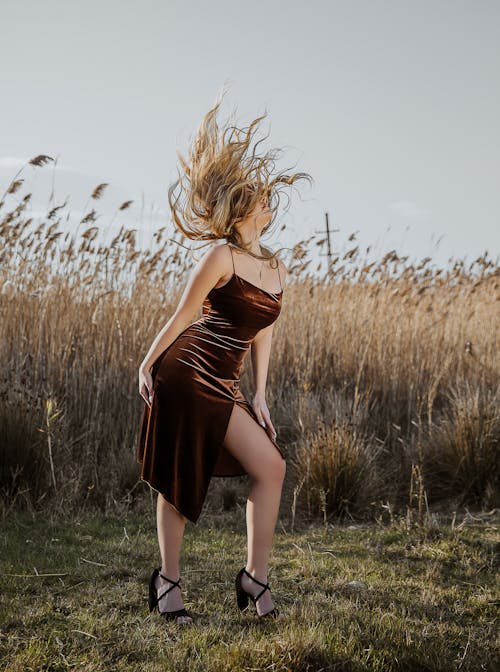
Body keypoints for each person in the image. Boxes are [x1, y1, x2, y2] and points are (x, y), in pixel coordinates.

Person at [137, 95, 312, 624]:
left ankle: (254, 580)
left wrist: (260, 394)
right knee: (181, 475)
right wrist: (147, 363)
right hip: (188, 370)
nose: (267, 205)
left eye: (266, 199)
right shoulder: (219, 256)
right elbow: (184, 315)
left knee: (272, 467)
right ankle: (168, 583)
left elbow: (263, 332)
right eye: (258, 200)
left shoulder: (277, 268)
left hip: (227, 382)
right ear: (239, 209)